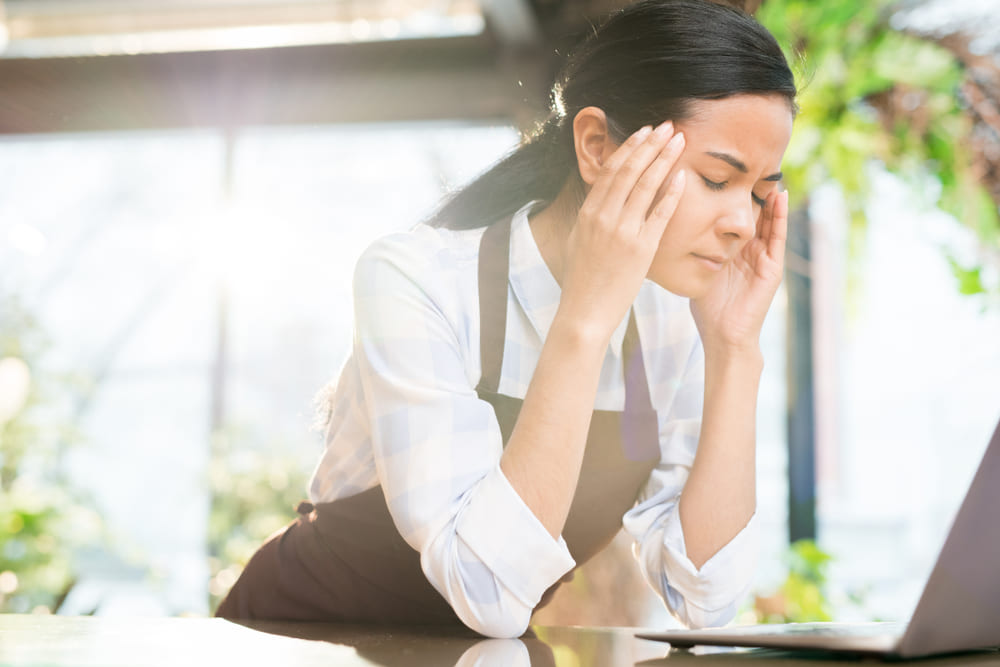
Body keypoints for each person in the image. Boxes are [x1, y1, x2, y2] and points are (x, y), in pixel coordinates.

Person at [216, 0, 796, 639]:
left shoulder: (676, 322)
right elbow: (486, 594)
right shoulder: (416, 279)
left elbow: (705, 600)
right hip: (296, 640)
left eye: (761, 192)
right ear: (598, 146)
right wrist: (585, 318)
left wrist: (736, 347)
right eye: (717, 179)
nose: (743, 221)